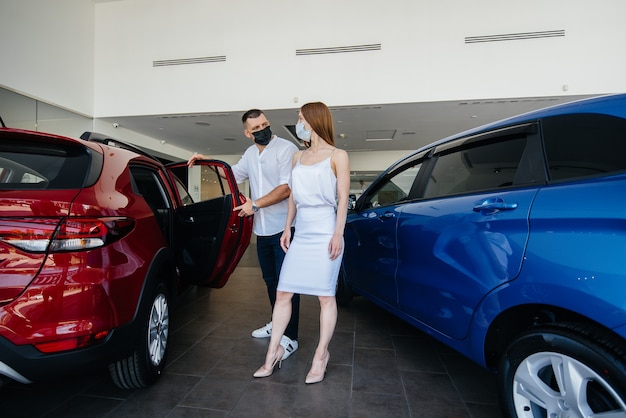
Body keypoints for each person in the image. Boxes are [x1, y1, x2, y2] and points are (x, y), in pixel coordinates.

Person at [187, 109, 300, 360]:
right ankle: (277, 324)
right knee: (271, 282)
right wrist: (208, 160)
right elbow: (233, 175)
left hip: (285, 228)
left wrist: (255, 204)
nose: (263, 130)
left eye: (265, 124)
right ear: (248, 133)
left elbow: (286, 188)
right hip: (261, 229)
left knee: (286, 286)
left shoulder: (286, 149)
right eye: (257, 128)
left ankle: (290, 337)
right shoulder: (250, 153)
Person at [253, 102, 350, 384]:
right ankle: (271, 354)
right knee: (283, 292)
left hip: (325, 229)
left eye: (300, 118)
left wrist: (337, 234)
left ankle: (321, 355)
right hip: (302, 231)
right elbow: (294, 196)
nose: (298, 123)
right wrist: (287, 229)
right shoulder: (297, 157)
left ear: (313, 120)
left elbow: (343, 198)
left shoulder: (338, 155)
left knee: (324, 296)